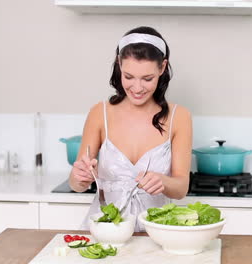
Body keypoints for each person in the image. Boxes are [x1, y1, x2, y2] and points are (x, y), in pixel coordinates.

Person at [68, 26, 193, 231]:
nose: (136, 88)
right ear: (119, 64)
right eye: (128, 77)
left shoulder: (180, 117)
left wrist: (163, 182)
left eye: (147, 79)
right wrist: (80, 177)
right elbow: (75, 183)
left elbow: (181, 189)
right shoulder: (100, 113)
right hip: (105, 231)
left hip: (157, 231)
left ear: (162, 68)